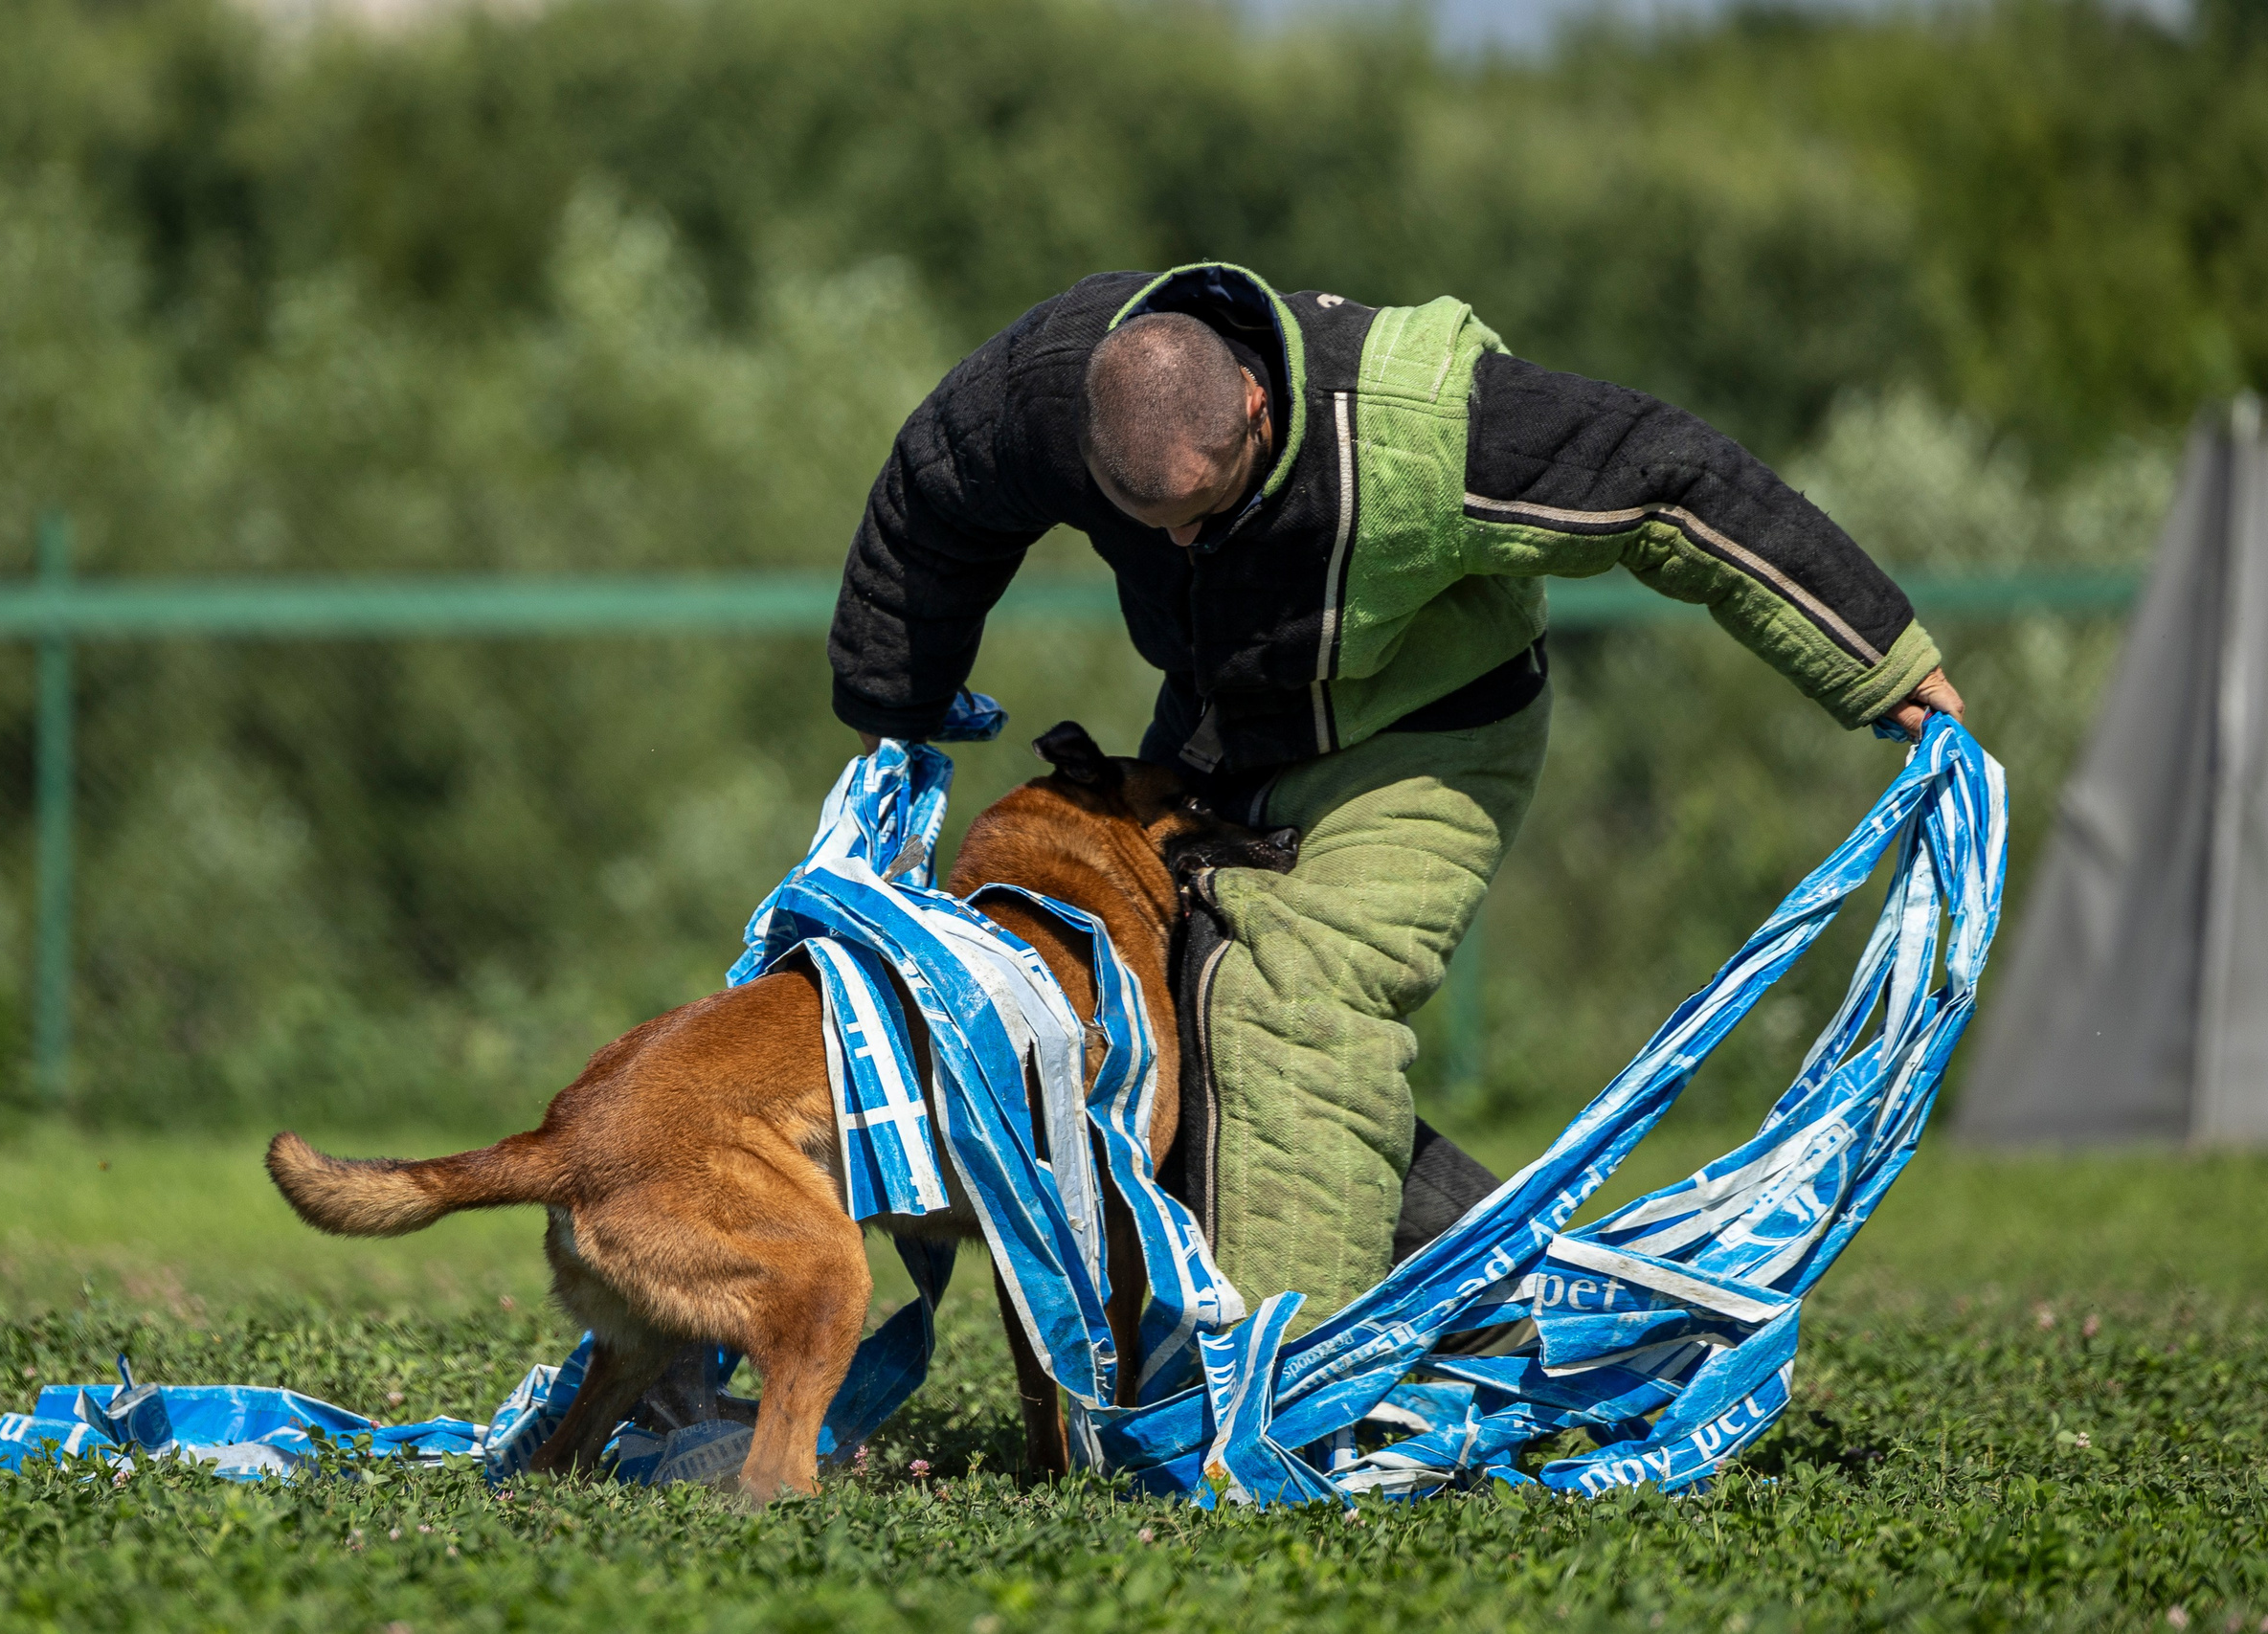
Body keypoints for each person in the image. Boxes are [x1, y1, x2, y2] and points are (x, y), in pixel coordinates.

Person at [826, 262, 1964, 1331]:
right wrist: (896, 704)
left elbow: (1671, 480)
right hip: (1228, 724)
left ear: (1260, 413)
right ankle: (1513, 1288)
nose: (1176, 539)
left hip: (1427, 733)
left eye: (1200, 509)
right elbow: (935, 493)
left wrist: (1876, 661)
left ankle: (1284, 1393)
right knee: (1153, 1034)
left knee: (1290, 1005)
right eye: (1146, 518)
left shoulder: (1421, 424)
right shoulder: (1047, 382)